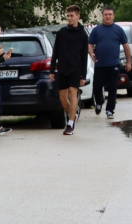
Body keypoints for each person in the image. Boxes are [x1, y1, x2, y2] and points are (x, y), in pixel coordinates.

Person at [49, 5, 88, 135]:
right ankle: (73, 114)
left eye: (72, 16)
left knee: (73, 93)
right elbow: (55, 52)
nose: (69, 18)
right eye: (68, 16)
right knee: (62, 98)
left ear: (78, 16)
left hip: (75, 70)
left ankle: (70, 124)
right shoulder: (61, 32)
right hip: (62, 69)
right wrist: (52, 70)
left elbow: (84, 56)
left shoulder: (83, 34)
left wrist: (83, 75)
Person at [88, 6, 131, 119]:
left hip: (113, 64)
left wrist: (128, 62)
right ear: (102, 16)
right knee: (97, 87)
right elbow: (90, 44)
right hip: (100, 64)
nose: (108, 16)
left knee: (112, 88)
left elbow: (126, 46)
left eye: (110, 14)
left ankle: (110, 110)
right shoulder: (97, 30)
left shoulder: (118, 30)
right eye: (106, 14)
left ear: (113, 16)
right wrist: (91, 53)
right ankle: (99, 103)